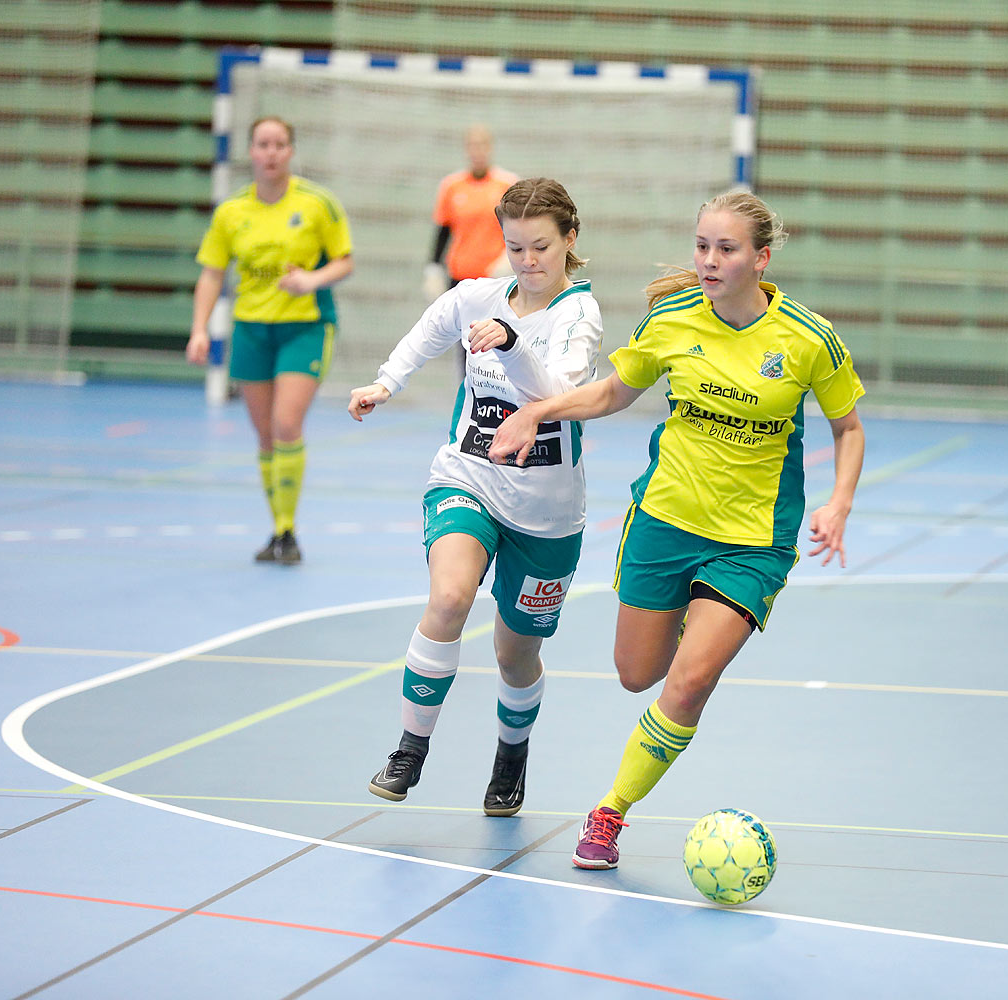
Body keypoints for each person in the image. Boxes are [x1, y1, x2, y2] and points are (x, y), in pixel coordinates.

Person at [489, 190, 865, 869]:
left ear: (761, 258)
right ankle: (696, 619)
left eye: (726, 249)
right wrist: (539, 411)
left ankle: (609, 814)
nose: (710, 260)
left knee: (687, 684)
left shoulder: (808, 338)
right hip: (665, 519)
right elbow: (611, 392)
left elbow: (848, 426)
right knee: (637, 674)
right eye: (702, 247)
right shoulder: (674, 318)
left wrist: (838, 503)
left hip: (753, 539)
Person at [349, 177, 603, 816]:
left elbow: (559, 393)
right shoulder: (477, 297)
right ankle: (411, 748)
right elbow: (428, 333)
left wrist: (514, 343)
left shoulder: (578, 314)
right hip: (469, 478)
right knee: (451, 596)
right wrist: (384, 384)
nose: (528, 261)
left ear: (570, 241)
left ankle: (510, 756)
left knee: (516, 656)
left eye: (541, 246)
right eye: (515, 247)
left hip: (547, 512)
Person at [186, 115, 354, 565]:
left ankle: (288, 531)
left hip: (305, 326)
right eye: (263, 144)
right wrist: (200, 329)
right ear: (252, 152)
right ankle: (277, 528)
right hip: (251, 328)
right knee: (264, 435)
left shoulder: (318, 204)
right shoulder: (232, 212)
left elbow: (344, 261)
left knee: (285, 424)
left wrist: (311, 279)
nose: (272, 152)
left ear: (290, 151)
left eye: (280, 143)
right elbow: (212, 274)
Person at [425, 124, 519, 376]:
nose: (478, 151)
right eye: (473, 145)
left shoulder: (506, 184)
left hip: (496, 279)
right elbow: (443, 231)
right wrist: (433, 268)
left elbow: (519, 229)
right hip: (462, 279)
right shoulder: (452, 186)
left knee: (497, 340)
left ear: (490, 149)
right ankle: (469, 400)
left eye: (483, 145)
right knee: (466, 345)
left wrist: (509, 260)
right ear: (467, 149)